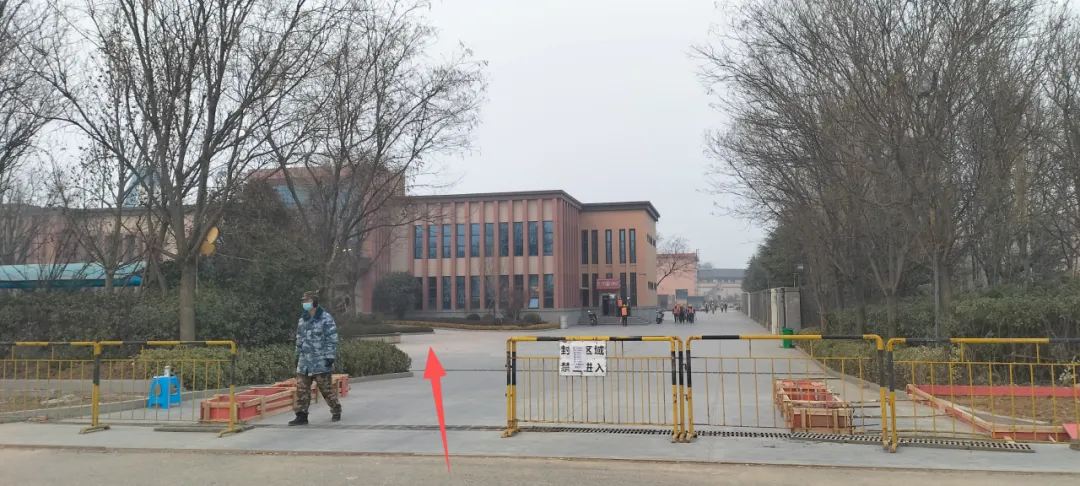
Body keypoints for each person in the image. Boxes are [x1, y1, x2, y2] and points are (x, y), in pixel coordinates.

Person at [289, 290, 342, 426]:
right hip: (305, 361)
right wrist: (297, 355)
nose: (305, 303)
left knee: (325, 388)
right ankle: (301, 415)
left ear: (315, 302)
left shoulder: (325, 318)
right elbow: (299, 339)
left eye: (307, 300)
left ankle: (336, 409)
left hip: (320, 360)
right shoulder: (302, 320)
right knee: (301, 388)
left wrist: (330, 356)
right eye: (304, 301)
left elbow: (332, 338)